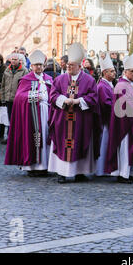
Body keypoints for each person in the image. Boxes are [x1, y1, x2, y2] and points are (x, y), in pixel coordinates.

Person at [47, 43, 102, 184]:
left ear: (79, 66)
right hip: (62, 119)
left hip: (82, 120)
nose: (68, 67)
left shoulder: (89, 80)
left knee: (81, 142)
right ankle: (62, 173)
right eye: (67, 65)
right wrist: (63, 100)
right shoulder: (59, 79)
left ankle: (80, 172)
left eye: (72, 65)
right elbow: (52, 95)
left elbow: (94, 97)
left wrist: (79, 101)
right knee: (62, 143)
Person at [4, 50, 53, 177]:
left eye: (41, 65)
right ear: (31, 66)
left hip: (46, 112)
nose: (39, 67)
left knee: (46, 137)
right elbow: (19, 97)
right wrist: (36, 96)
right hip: (31, 115)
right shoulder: (26, 79)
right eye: (36, 65)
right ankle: (32, 166)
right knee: (33, 138)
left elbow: (54, 93)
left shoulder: (49, 79)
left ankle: (45, 166)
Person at [105, 54, 133, 184]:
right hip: (124, 124)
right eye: (132, 71)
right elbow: (126, 105)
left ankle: (129, 172)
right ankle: (123, 174)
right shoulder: (121, 85)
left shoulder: (132, 84)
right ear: (125, 72)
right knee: (126, 148)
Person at [0, 52, 28, 144]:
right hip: (8, 99)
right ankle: (10, 137)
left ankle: (18, 138)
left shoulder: (24, 71)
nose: (14, 61)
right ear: (10, 60)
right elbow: (3, 84)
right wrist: (2, 96)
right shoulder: (7, 70)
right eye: (12, 59)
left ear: (19, 60)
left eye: (15, 59)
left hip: (18, 99)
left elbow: (26, 86)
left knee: (18, 119)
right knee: (9, 119)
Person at [95, 53, 116, 177]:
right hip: (105, 120)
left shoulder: (109, 85)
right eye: (112, 71)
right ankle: (101, 169)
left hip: (109, 119)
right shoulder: (102, 86)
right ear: (105, 73)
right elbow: (106, 103)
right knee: (104, 144)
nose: (114, 73)